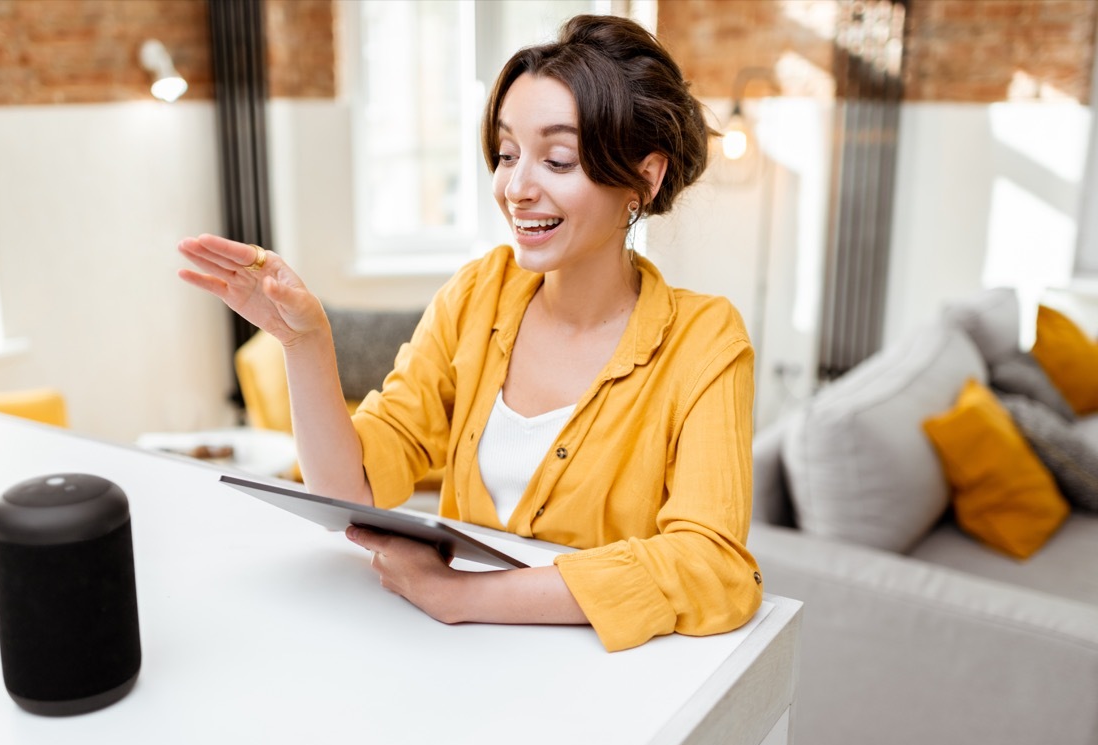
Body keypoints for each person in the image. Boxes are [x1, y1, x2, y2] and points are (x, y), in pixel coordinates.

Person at [178, 14, 762, 652]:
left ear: (645, 180)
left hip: (602, 678)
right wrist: (305, 344)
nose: (515, 188)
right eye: (508, 154)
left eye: (557, 159)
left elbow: (713, 566)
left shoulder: (706, 341)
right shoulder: (477, 295)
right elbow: (351, 489)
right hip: (458, 662)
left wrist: (460, 597)